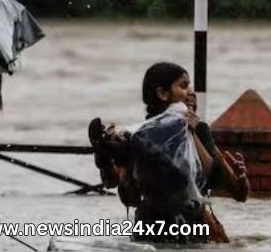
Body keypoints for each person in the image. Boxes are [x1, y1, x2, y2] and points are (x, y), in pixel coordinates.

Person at [88, 62, 249, 244]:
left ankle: (109, 154)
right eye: (183, 85)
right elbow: (127, 194)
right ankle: (108, 154)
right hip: (168, 226)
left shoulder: (196, 131)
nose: (190, 92)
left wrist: (191, 133)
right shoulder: (140, 136)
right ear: (162, 94)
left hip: (175, 225)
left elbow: (236, 191)